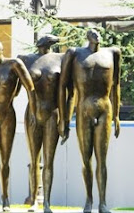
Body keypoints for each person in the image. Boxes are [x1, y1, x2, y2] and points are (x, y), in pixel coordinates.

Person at [58, 29, 121, 213]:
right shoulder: (75, 53)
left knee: (102, 160)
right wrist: (64, 118)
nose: (97, 35)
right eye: (93, 32)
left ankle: (102, 202)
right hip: (83, 110)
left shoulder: (113, 53)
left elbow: (116, 84)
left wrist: (117, 115)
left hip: (104, 108)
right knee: (86, 159)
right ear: (87, 36)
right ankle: (89, 199)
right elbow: (64, 87)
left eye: (99, 32)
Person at [0, 41, 36, 213]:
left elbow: (30, 86)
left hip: (6, 116)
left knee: (4, 161)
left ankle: (5, 199)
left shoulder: (14, 64)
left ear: (3, 51)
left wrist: (32, 110)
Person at [18, 35, 66, 213]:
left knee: (49, 161)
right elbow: (11, 88)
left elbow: (66, 92)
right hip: (32, 113)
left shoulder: (60, 59)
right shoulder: (25, 59)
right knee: (33, 159)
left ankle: (46, 201)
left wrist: (65, 119)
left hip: (52, 113)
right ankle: (33, 200)